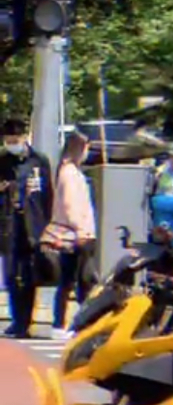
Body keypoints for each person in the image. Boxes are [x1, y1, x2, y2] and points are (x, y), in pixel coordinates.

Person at [0, 118, 52, 338]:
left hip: (33, 224)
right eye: (8, 141)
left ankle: (26, 321)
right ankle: (17, 319)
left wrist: (47, 225)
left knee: (30, 273)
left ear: (25, 137)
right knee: (11, 273)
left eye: (15, 140)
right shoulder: (3, 162)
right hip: (9, 223)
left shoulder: (39, 161)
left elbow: (48, 195)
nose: (12, 144)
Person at [51, 131, 97, 339]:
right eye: (86, 148)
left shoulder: (72, 171)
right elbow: (69, 204)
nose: (87, 153)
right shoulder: (69, 173)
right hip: (75, 235)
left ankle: (68, 323)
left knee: (76, 280)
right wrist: (80, 228)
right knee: (76, 280)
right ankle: (62, 324)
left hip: (79, 233)